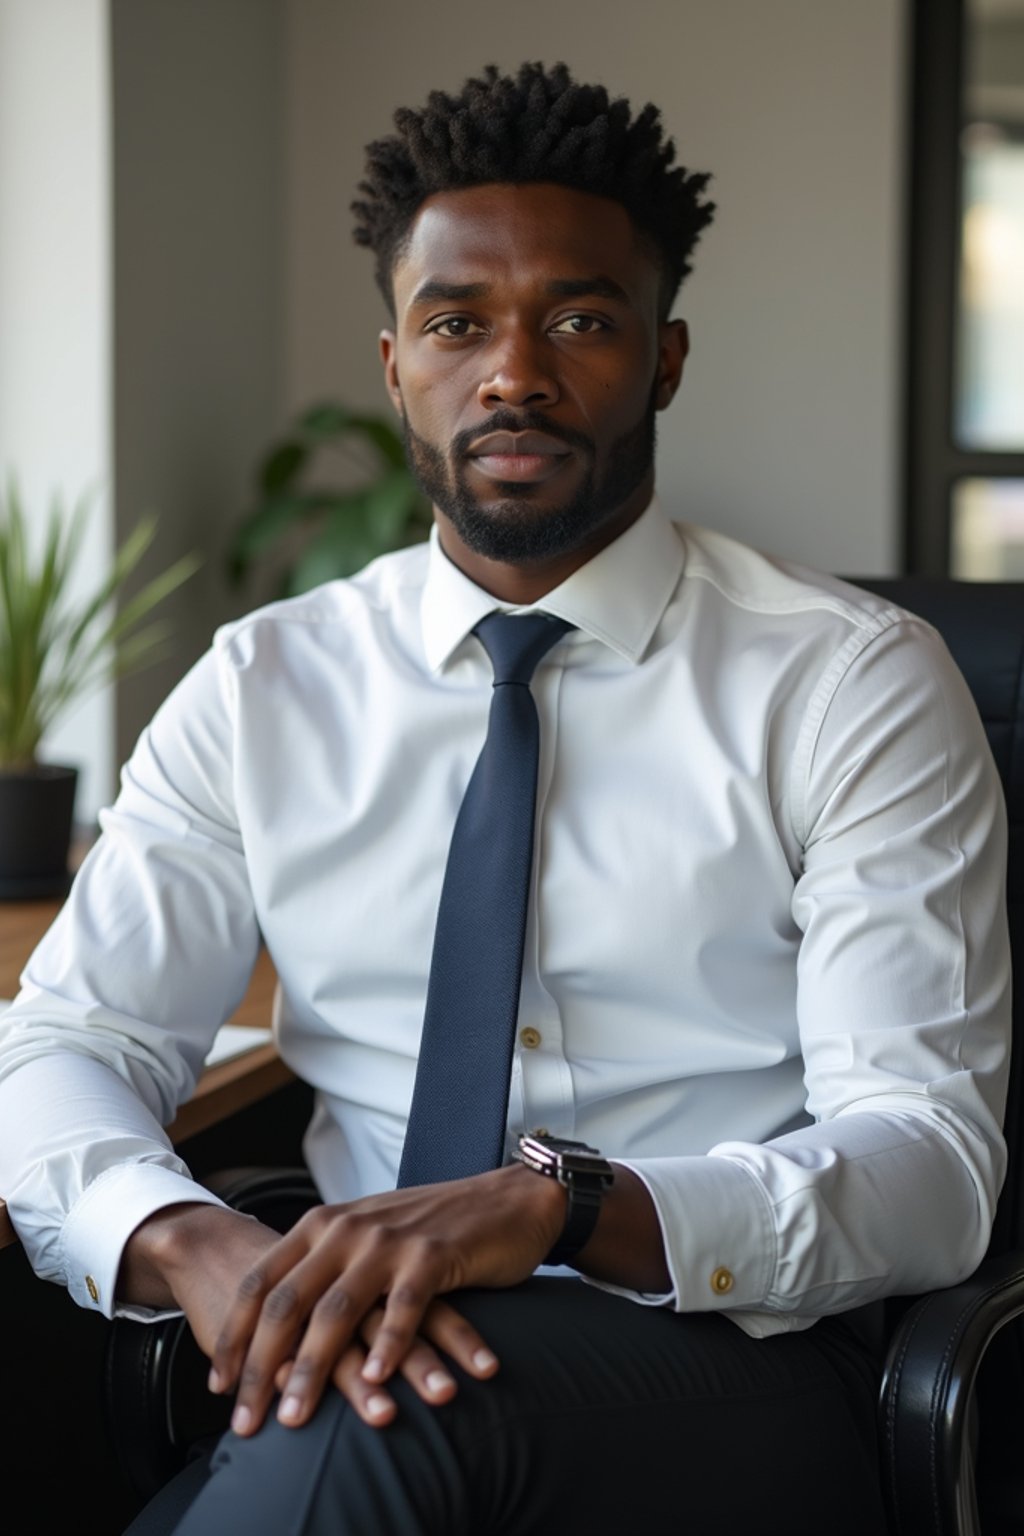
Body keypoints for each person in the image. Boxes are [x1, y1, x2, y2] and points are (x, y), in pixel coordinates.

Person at [0, 61, 1011, 1536]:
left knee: (368, 1423)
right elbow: (69, 1041)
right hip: (356, 1346)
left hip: (728, 1361)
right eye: (458, 322)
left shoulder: (850, 684)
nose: (515, 371)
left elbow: (925, 1162)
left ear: (664, 359)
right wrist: (188, 1242)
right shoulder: (268, 684)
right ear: (396, 360)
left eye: (580, 320)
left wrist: (563, 1205)